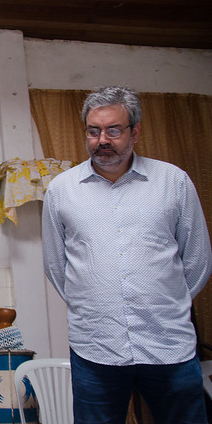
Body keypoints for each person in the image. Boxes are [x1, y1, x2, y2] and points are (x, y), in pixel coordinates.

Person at [42, 86, 212, 424]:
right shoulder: (61, 190)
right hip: (95, 347)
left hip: (168, 344)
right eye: (94, 131)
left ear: (135, 131)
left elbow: (197, 261)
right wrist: (96, 302)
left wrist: (165, 301)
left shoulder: (173, 182)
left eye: (113, 130)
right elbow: (56, 266)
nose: (102, 139)